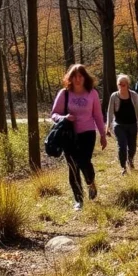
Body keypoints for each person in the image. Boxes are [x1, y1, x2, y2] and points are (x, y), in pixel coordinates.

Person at [51, 64, 108, 211]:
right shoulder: (64, 94)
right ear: (70, 78)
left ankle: (91, 181)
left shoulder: (92, 93)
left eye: (80, 76)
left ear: (85, 77)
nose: (77, 79)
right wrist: (64, 117)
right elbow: (54, 114)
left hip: (88, 133)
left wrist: (102, 134)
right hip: (68, 135)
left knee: (84, 161)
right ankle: (78, 200)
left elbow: (97, 115)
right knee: (72, 166)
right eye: (74, 76)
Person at [107, 74, 138, 175]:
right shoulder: (114, 96)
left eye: (124, 84)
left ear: (128, 84)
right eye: (120, 84)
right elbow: (110, 112)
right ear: (117, 85)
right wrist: (108, 127)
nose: (122, 86)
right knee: (122, 146)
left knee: (132, 147)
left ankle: (130, 160)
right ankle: (123, 167)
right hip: (119, 125)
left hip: (132, 125)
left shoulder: (134, 95)